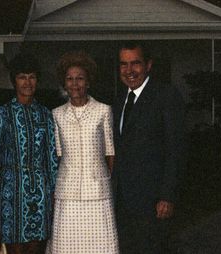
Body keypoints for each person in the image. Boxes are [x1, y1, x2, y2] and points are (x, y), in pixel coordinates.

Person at [112, 41, 186, 253]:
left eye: (135, 63)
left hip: (153, 202)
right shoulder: (119, 101)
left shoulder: (166, 96)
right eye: (124, 64)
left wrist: (167, 195)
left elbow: (177, 150)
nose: (129, 70)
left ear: (148, 65)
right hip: (124, 203)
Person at [47, 51, 119, 254]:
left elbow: (110, 153)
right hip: (67, 191)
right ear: (64, 83)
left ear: (88, 82)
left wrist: (104, 181)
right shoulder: (57, 114)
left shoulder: (103, 110)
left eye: (80, 78)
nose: (75, 84)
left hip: (97, 192)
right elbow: (59, 155)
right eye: (69, 79)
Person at [0, 52, 58, 254]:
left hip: (40, 192)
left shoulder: (45, 114)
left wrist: (53, 190)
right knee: (15, 248)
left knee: (37, 248)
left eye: (32, 77)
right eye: (22, 77)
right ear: (14, 81)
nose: (27, 82)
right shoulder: (2, 113)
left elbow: (52, 156)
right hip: (11, 193)